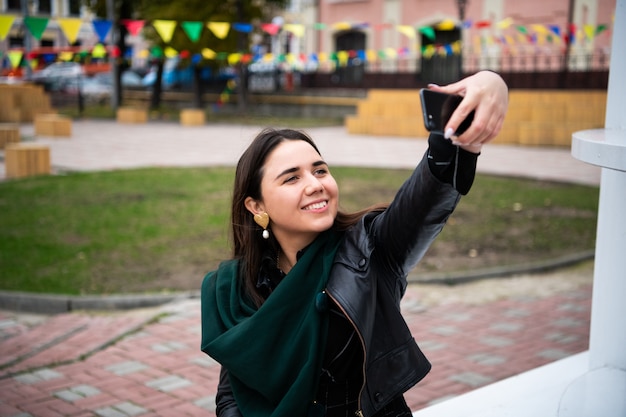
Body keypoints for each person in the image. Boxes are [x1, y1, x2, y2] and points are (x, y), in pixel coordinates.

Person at [201, 70, 509, 417]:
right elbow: (232, 394)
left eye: (320, 170)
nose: (316, 184)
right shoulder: (234, 288)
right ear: (256, 206)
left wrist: (487, 85)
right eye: (292, 178)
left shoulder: (370, 248)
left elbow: (430, 192)